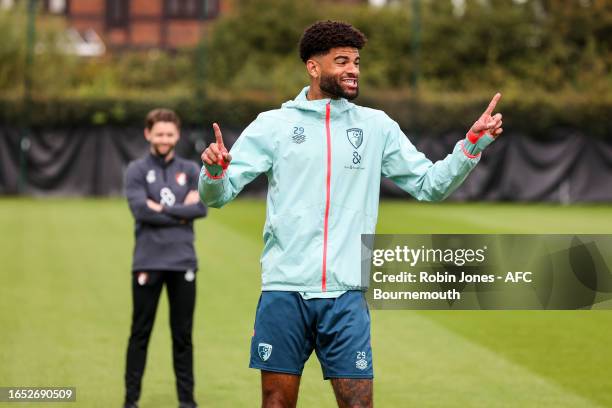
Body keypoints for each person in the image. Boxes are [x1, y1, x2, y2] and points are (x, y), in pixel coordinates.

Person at [199, 21, 502, 408]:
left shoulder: (375, 126)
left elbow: (430, 184)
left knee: (359, 404)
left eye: (356, 61)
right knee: (276, 403)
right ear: (313, 67)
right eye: (341, 61)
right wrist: (212, 172)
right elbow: (217, 196)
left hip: (345, 296)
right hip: (284, 290)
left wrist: (470, 146)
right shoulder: (273, 125)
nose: (353, 69)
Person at [123, 108, 206, 408]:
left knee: (182, 337)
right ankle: (130, 401)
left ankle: (187, 402)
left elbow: (201, 209)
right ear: (148, 134)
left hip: (183, 263)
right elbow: (140, 210)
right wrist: (180, 212)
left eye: (169, 133)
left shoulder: (192, 169)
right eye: (158, 133)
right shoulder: (135, 170)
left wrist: (160, 209)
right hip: (147, 262)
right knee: (140, 333)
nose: (164, 138)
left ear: (177, 135)